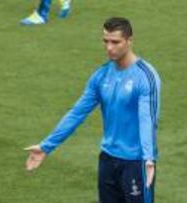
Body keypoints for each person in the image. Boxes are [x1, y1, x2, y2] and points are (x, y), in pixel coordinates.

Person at [24, 17, 160, 203]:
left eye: (115, 42)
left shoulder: (145, 77)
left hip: (136, 163)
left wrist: (149, 158)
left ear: (129, 41)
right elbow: (77, 113)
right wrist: (47, 146)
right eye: (105, 41)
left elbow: (148, 120)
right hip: (108, 159)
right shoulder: (101, 75)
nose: (109, 48)